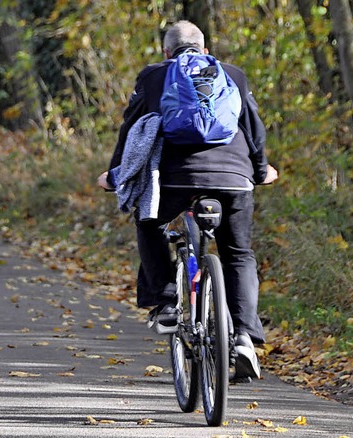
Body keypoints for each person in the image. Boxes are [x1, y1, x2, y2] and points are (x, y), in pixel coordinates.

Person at [97, 20, 278, 379]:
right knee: (238, 253)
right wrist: (260, 170)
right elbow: (253, 128)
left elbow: (130, 130)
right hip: (234, 179)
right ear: (205, 50)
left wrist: (115, 174)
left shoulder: (153, 77)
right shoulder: (232, 75)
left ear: (166, 52)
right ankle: (243, 337)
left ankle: (166, 301)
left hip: (173, 182)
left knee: (148, 222)